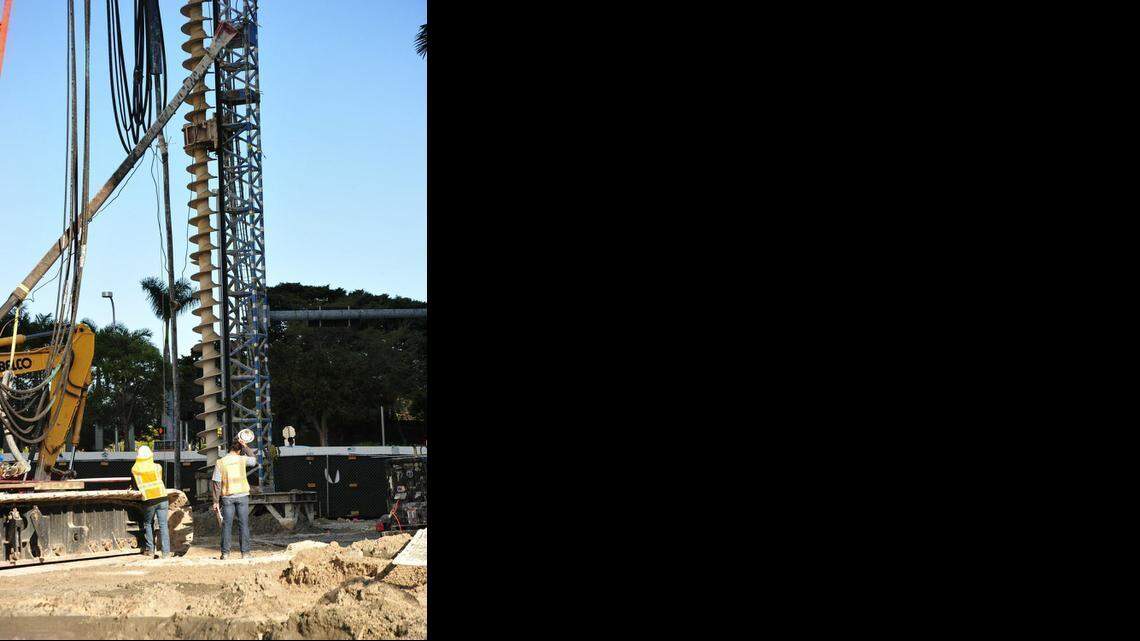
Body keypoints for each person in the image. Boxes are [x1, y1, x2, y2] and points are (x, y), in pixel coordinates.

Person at [212, 438, 258, 560]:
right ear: (240, 450)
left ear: (229, 449)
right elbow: (254, 460)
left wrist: (215, 501)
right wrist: (246, 446)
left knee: (227, 525)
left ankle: (225, 553)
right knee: (243, 524)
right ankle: (245, 553)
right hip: (242, 496)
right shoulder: (242, 459)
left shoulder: (220, 462)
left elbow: (216, 483)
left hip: (227, 497)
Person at [131, 445, 170, 559]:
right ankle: (166, 553)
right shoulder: (158, 467)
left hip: (149, 499)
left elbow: (135, 485)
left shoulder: (135, 469)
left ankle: (151, 550)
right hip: (162, 497)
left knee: (148, 524)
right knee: (163, 525)